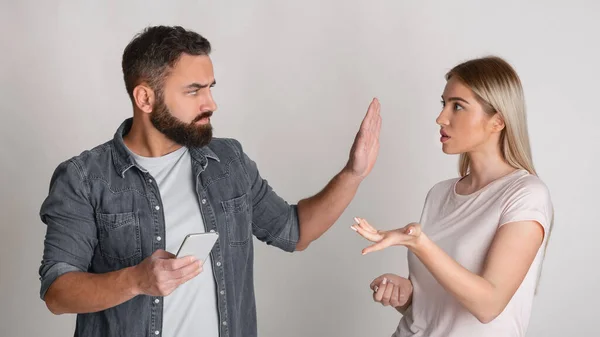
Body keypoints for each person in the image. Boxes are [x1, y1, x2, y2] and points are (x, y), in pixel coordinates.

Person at [38, 25, 382, 337]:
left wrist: (353, 174)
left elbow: (294, 232)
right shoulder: (84, 178)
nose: (211, 103)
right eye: (193, 91)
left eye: (210, 88)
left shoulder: (228, 161)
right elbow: (57, 291)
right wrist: (136, 280)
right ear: (145, 98)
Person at [351, 56, 553, 337]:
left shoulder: (525, 195)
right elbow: (437, 307)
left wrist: (419, 243)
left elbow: (488, 305)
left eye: (457, 106)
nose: (441, 118)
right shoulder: (439, 194)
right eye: (444, 103)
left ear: (498, 121)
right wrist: (406, 294)